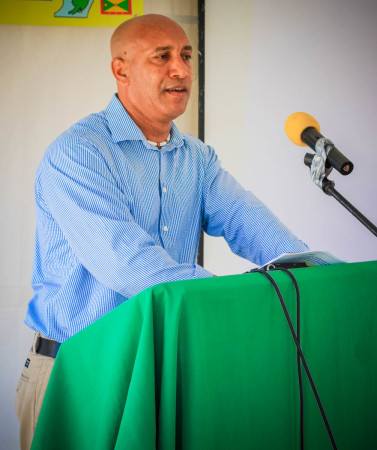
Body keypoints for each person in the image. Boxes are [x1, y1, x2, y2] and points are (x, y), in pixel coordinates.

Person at [15, 14, 308, 449]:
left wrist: (308, 270)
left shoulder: (197, 157)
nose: (182, 70)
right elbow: (129, 266)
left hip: (162, 373)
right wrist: (231, 299)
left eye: (188, 56)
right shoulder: (78, 153)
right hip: (78, 375)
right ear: (121, 69)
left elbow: (247, 218)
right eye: (163, 56)